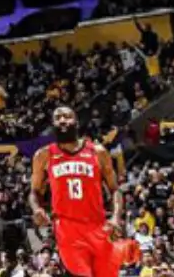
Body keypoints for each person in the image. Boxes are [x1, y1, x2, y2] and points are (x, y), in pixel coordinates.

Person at [30, 106, 123, 277]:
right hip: (67, 229)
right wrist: (37, 209)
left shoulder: (98, 152)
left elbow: (114, 189)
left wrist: (116, 217)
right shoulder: (43, 155)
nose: (62, 120)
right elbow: (34, 191)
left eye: (67, 116)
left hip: (96, 225)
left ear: (77, 122)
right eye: (58, 117)